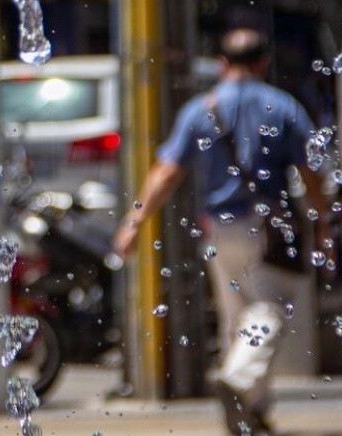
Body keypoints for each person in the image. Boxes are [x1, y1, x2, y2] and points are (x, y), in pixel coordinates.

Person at [113, 28, 336, 436]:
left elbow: (167, 171)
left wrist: (134, 221)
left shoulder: (201, 108)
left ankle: (253, 411)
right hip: (269, 224)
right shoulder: (282, 106)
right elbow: (311, 172)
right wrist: (323, 221)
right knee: (271, 307)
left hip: (218, 228)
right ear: (263, 62)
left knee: (238, 319)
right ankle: (238, 379)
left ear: (221, 63)